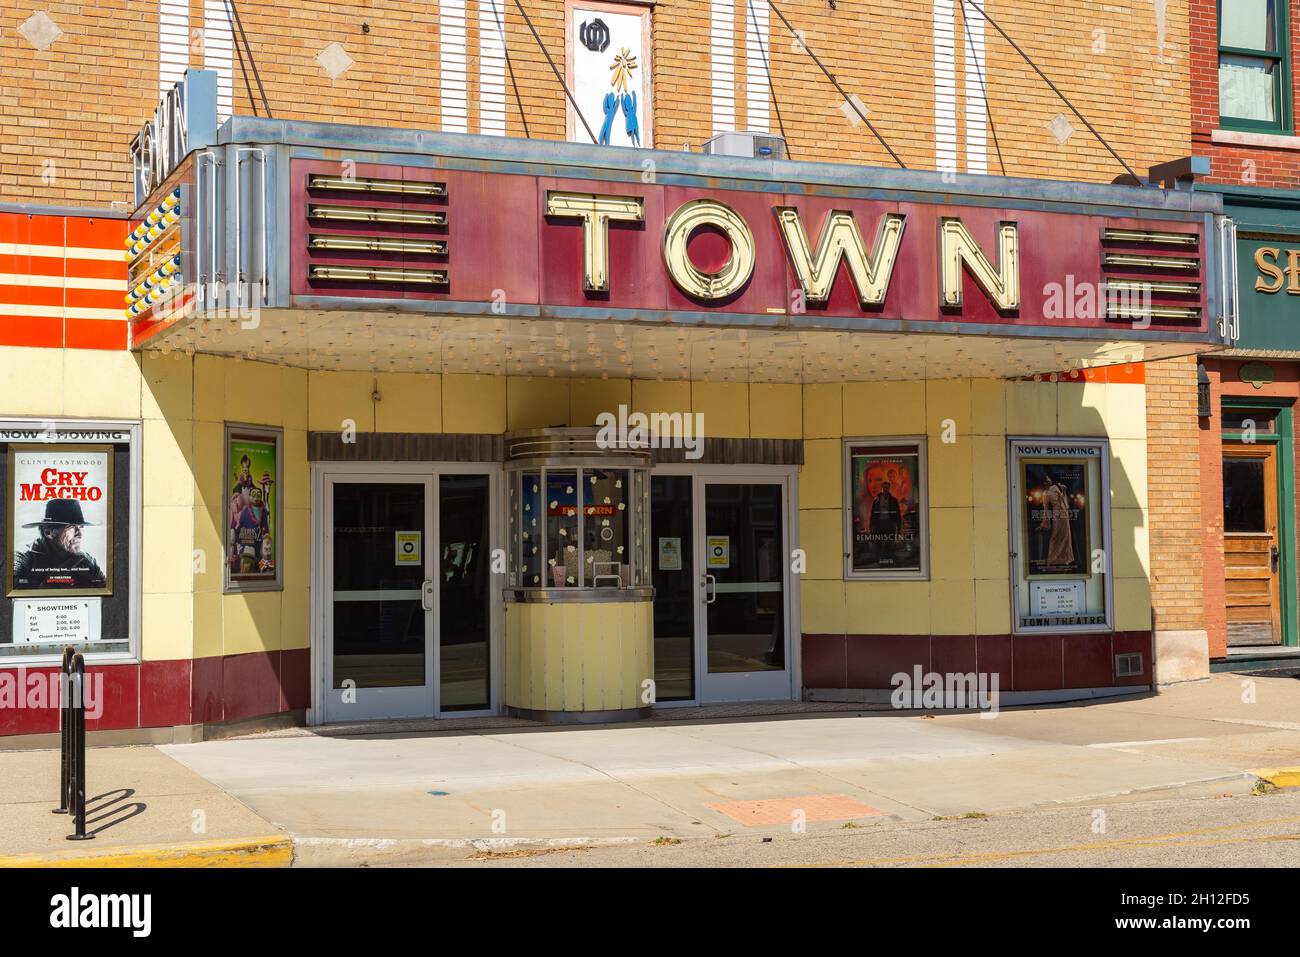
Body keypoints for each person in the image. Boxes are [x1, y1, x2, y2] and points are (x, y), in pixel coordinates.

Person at [13, 499, 107, 590]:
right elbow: (14, 594)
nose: (80, 534)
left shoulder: (87, 561)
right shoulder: (22, 559)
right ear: (48, 532)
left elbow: (104, 590)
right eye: (71, 527)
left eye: (81, 527)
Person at [1038, 473, 1075, 570]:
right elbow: (1046, 509)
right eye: (1046, 480)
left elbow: (1062, 499)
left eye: (1049, 479)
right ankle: (1052, 560)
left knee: (1066, 536)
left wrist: (1064, 490)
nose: (1049, 481)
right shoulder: (1045, 494)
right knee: (1055, 537)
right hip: (1056, 514)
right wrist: (1044, 524)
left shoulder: (1055, 487)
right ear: (1043, 483)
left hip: (1064, 513)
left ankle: (1065, 560)